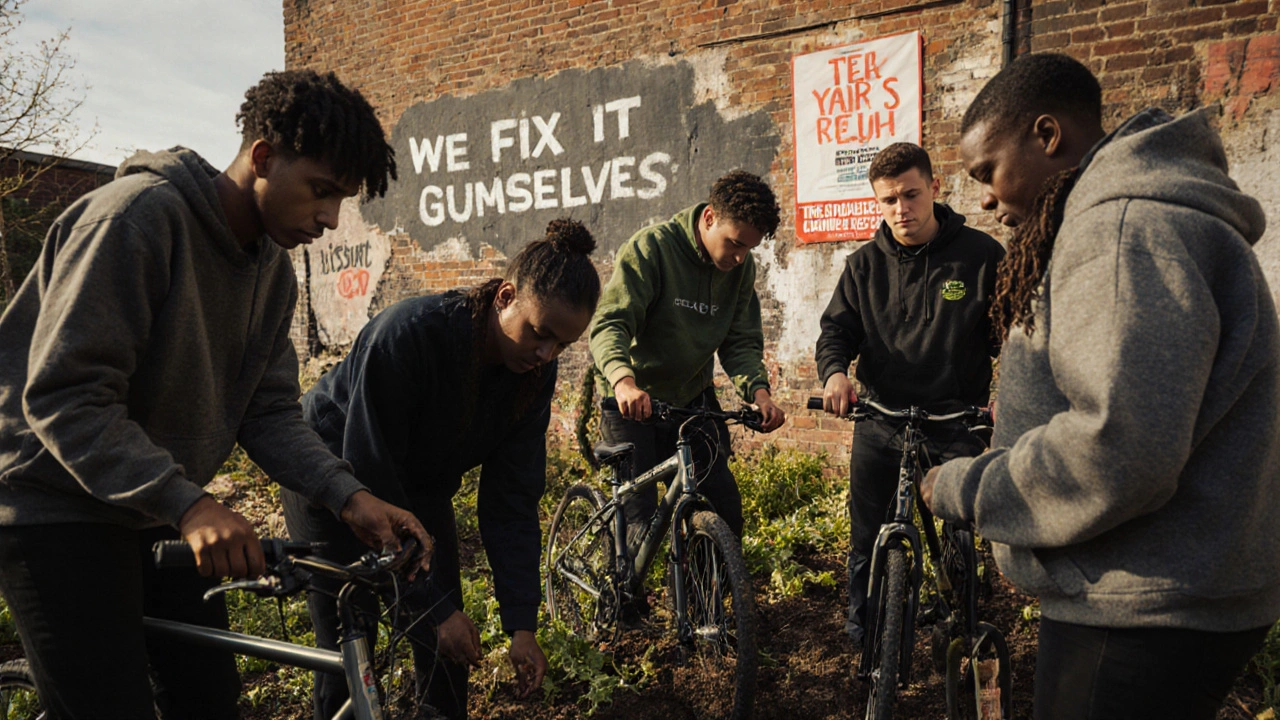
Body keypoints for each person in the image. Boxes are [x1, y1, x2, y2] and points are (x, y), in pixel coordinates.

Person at [0, 69, 431, 719]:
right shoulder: (136, 219)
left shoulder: (272, 272)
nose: (329, 218)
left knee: (208, 701)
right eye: (322, 191)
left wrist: (352, 497)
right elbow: (66, 397)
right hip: (53, 503)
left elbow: (268, 413)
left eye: (342, 200)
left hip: (154, 506)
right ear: (263, 158)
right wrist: (193, 506)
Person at [921, 53, 1280, 720]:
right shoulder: (1143, 218)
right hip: (1174, 593)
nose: (986, 200)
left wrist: (965, 487)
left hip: (1138, 611)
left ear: (1047, 136)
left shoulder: (1120, 232)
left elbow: (1119, 447)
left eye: (988, 172)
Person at [282, 218, 601, 720]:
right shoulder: (410, 335)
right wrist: (431, 607)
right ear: (506, 296)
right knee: (352, 648)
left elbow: (512, 499)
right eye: (540, 334)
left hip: (418, 486)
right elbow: (370, 467)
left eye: (562, 345)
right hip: (336, 480)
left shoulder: (532, 376)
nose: (547, 354)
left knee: (448, 648)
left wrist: (522, 625)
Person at [814, 142, 1005, 648]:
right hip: (881, 418)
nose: (901, 209)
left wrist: (1010, 390)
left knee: (960, 533)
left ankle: (961, 629)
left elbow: (1017, 333)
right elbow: (836, 332)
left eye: (911, 195)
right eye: (888, 200)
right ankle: (867, 643)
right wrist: (834, 374)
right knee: (866, 538)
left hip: (955, 420)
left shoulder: (982, 256)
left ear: (934, 188)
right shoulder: (862, 266)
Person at [588, 169, 786, 618]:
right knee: (638, 522)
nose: (739, 257)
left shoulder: (739, 268)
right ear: (710, 217)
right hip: (632, 400)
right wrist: (623, 380)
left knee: (724, 506)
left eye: (749, 248)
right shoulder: (652, 249)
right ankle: (621, 613)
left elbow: (740, 339)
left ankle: (701, 616)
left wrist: (758, 392)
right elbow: (610, 324)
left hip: (690, 399)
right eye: (734, 243)